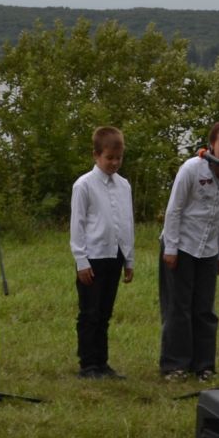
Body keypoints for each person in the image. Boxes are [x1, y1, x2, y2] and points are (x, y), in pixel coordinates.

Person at [158, 120, 219, 381]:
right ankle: (175, 365)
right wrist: (170, 248)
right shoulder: (191, 168)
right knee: (178, 307)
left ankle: (203, 365)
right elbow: (175, 210)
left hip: (209, 248)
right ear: (213, 144)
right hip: (182, 245)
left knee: (204, 309)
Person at [69, 125, 136, 380]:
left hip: (114, 255)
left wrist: (128, 259)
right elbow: (78, 224)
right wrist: (81, 260)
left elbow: (126, 221)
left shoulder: (124, 185)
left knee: (105, 312)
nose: (114, 163)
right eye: (109, 158)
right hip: (93, 256)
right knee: (90, 312)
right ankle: (88, 364)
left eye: (118, 158)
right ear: (96, 155)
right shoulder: (83, 185)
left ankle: (102, 362)